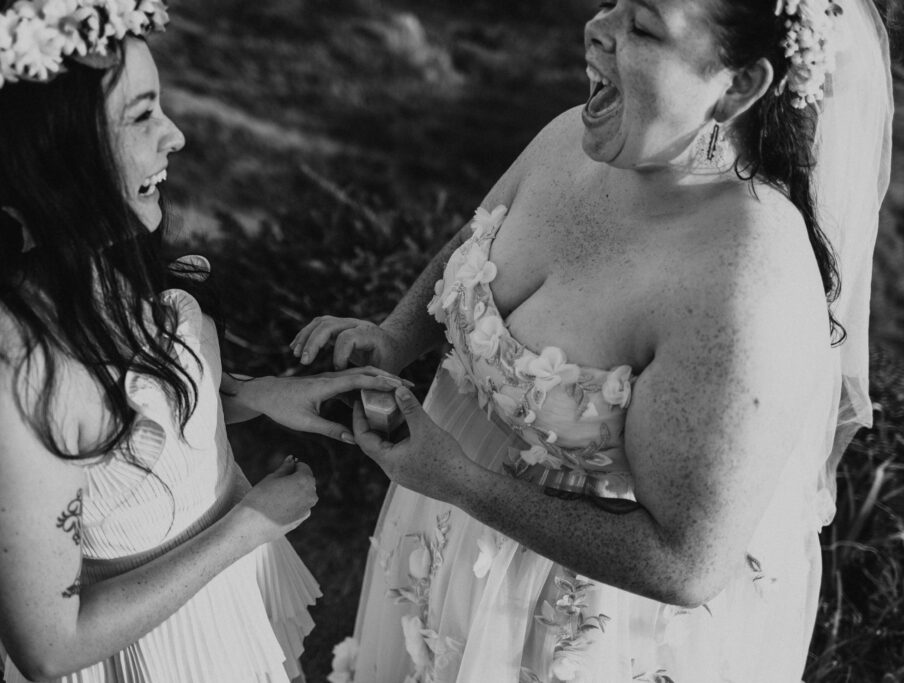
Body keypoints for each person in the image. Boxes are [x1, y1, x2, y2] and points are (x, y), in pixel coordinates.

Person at [293, 0, 894, 680]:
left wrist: (464, 483)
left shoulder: (745, 277)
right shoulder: (566, 140)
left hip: (577, 630)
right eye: (611, 3)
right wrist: (395, 336)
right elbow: (480, 239)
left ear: (740, 85)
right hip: (441, 544)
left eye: (642, 26)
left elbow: (684, 563)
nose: (597, 28)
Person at [0, 1, 409, 681]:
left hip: (215, 618)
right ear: (42, 157)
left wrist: (261, 395)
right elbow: (49, 644)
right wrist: (248, 527)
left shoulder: (103, 251)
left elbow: (123, 423)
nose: (177, 136)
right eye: (140, 116)